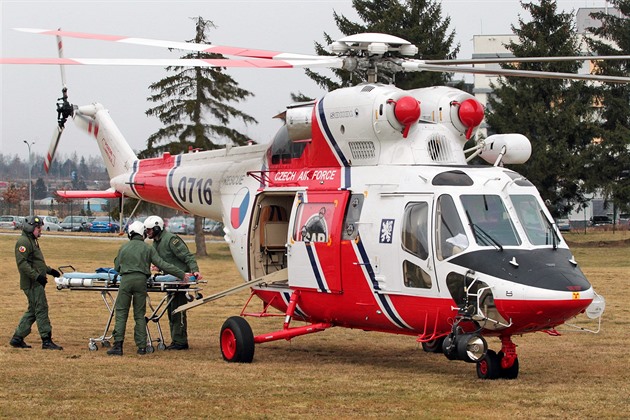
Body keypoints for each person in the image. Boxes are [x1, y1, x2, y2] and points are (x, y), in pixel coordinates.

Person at [107, 221, 190, 356]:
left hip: (126, 281)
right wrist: (181, 274)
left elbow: (116, 268)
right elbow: (162, 264)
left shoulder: (123, 248)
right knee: (139, 315)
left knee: (121, 313)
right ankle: (142, 347)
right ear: (143, 234)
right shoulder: (148, 248)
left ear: (130, 234)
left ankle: (117, 346)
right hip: (141, 282)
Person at [144, 215, 202, 350]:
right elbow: (166, 260)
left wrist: (195, 270)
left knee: (177, 310)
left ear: (158, 228)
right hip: (170, 281)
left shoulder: (171, 240)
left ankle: (181, 342)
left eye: (150, 230)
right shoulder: (157, 242)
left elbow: (187, 256)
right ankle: (176, 340)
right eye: (147, 230)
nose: (148, 233)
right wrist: (159, 267)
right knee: (171, 310)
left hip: (180, 280)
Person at [10, 215, 63, 350]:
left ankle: (17, 338)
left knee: (33, 310)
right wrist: (36, 277)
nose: (40, 230)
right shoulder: (23, 242)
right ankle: (46, 340)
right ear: (31, 228)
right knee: (41, 309)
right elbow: (22, 264)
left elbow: (37, 263)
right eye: (38, 228)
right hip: (32, 284)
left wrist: (50, 271)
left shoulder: (32, 241)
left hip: (36, 282)